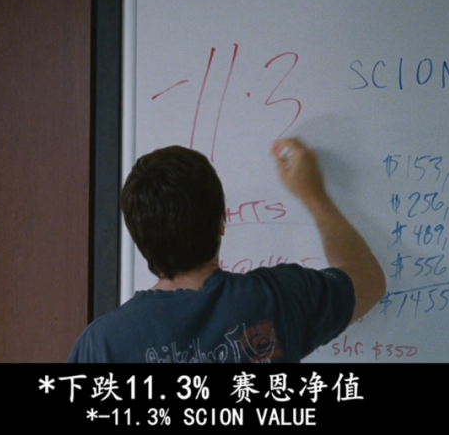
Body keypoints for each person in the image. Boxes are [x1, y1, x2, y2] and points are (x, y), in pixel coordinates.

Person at [67, 138, 385, 363]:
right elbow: (369, 280)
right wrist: (313, 195)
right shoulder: (278, 297)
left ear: (139, 238)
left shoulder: (102, 346)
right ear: (221, 221)